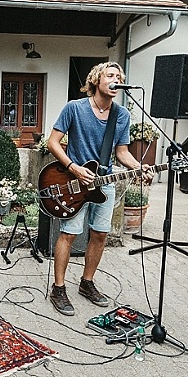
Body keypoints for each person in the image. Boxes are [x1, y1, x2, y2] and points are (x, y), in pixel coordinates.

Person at [46, 62, 154, 315]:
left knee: (100, 235)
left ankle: (87, 282)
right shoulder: (75, 108)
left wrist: (140, 167)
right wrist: (73, 167)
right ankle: (58, 288)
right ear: (96, 80)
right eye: (110, 75)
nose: (116, 79)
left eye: (119, 76)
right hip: (74, 181)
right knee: (69, 235)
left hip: (105, 182)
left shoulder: (122, 115)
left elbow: (122, 153)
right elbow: (53, 142)